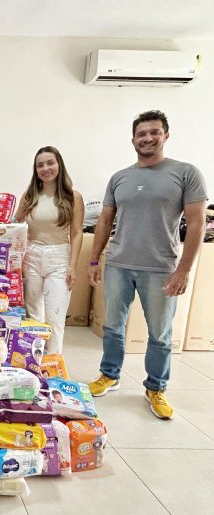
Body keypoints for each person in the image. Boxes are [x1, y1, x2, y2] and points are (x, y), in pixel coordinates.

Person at [87, 110, 207, 421]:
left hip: (161, 268)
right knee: (113, 326)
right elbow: (104, 221)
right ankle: (109, 375)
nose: (148, 138)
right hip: (118, 264)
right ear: (133, 140)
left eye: (154, 132)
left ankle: (156, 388)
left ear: (166, 135)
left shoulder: (185, 173)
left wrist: (183, 270)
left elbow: (196, 224)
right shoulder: (120, 178)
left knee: (160, 333)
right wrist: (94, 260)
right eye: (142, 134)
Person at [14, 146, 84, 355]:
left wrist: (73, 266)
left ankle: (53, 362)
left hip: (59, 257)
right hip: (32, 255)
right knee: (33, 315)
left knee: (55, 317)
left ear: (59, 164)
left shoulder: (73, 197)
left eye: (50, 163)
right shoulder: (30, 196)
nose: (46, 168)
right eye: (40, 165)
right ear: (35, 170)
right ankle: (33, 362)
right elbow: (15, 223)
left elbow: (77, 233)